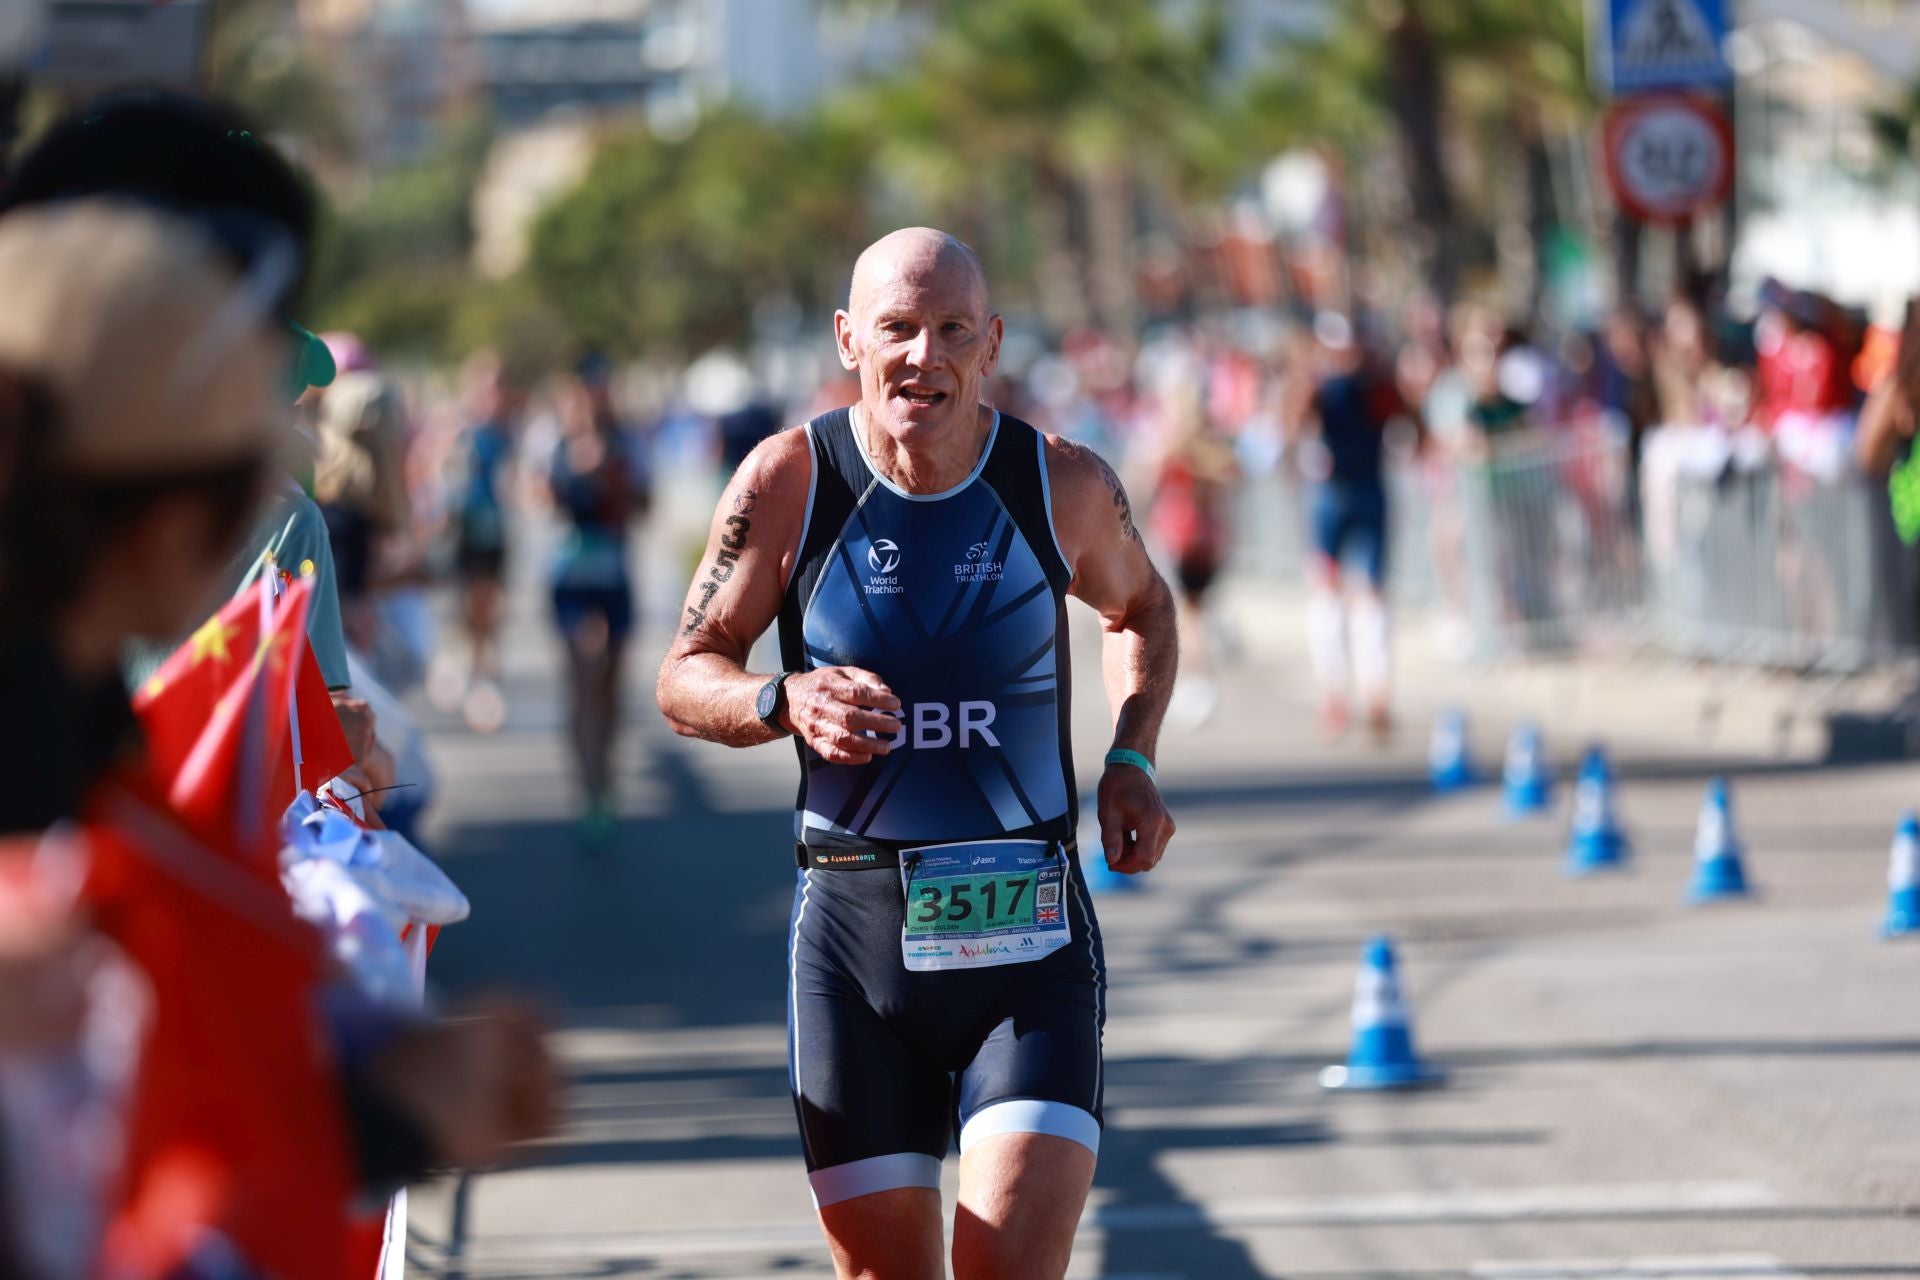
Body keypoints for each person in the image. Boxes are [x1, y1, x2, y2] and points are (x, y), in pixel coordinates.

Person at [0, 199, 553, 1280]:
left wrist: (382, 1112)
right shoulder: (127, 838)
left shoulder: (108, 770)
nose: (277, 490)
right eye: (246, 467)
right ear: (167, 530)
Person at [656, 228, 1178, 1280]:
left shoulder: (1060, 483)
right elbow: (684, 669)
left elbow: (1144, 607)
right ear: (851, 339)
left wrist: (1134, 755)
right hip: (854, 946)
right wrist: (780, 696)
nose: (922, 355)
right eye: (896, 327)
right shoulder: (790, 481)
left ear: (989, 344)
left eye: (950, 330)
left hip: (1025, 946)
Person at [545, 352, 651, 846]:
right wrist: (569, 476)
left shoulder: (627, 444)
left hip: (614, 575)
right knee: (585, 676)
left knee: (609, 686)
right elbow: (533, 497)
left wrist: (614, 478)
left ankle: (604, 774)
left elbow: (645, 505)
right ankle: (589, 788)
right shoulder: (551, 444)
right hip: (571, 576)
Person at [1299, 312, 1410, 738]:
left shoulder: (1377, 385)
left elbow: (1408, 421)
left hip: (1367, 492)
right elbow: (1295, 422)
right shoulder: (1322, 388)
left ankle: (1375, 691)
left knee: (1373, 593)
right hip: (1333, 495)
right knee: (1328, 591)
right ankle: (1334, 692)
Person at [442, 354, 525, 734]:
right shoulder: (461, 429)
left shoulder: (509, 431)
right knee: (470, 605)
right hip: (465, 529)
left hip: (495, 532)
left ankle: (485, 673)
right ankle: (474, 667)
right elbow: (441, 474)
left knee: (491, 605)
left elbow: (517, 480)